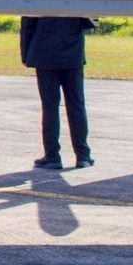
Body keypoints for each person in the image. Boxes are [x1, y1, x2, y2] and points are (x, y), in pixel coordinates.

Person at [21, 16, 94, 169]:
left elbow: (28, 24)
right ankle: (83, 155)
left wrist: (26, 54)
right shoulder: (76, 0)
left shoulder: (38, 0)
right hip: (72, 52)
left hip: (44, 52)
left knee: (50, 107)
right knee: (76, 105)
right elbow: (90, 21)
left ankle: (52, 156)